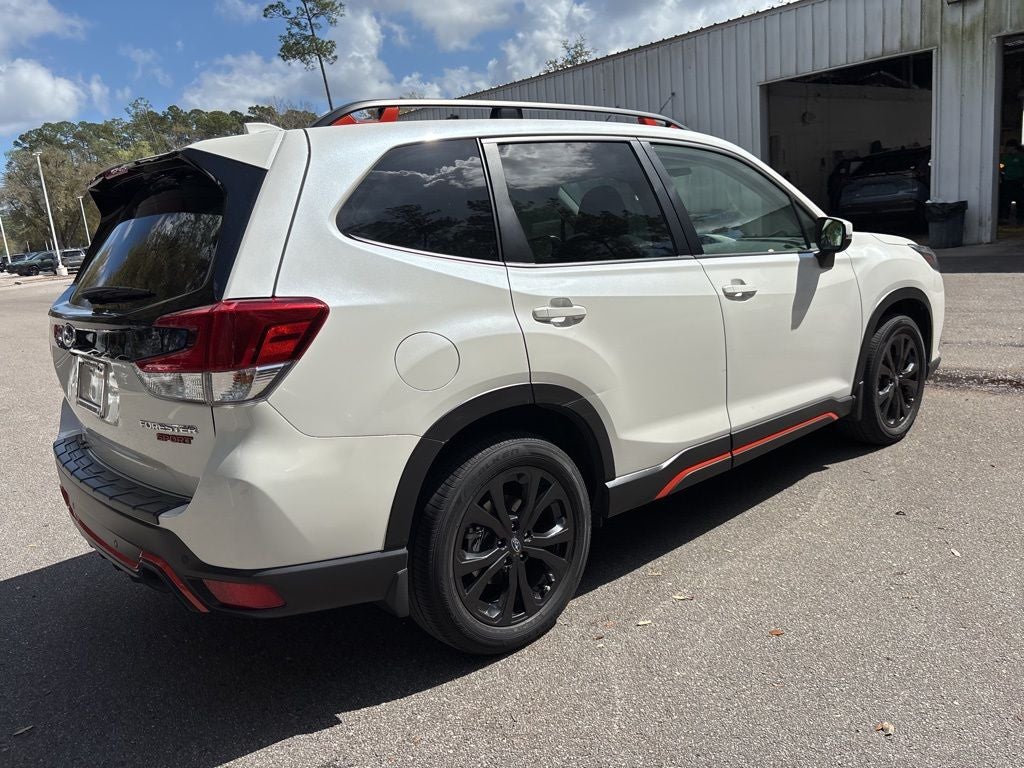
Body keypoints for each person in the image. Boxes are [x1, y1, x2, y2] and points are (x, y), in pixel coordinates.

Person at [999, 139, 1024, 225]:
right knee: (1006, 200)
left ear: (1013, 147)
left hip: (1019, 181)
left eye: (1008, 147)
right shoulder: (1005, 157)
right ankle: (1005, 218)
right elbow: (1001, 166)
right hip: (1008, 181)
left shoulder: (1021, 157)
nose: (1007, 149)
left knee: (1021, 200)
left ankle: (1020, 219)